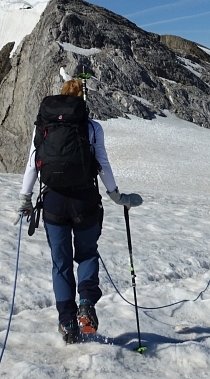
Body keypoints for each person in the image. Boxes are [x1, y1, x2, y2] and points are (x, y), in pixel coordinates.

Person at [19, 78, 141, 344]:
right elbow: (103, 163)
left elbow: (32, 163)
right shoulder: (92, 128)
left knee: (60, 264)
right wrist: (116, 195)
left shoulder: (44, 126)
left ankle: (67, 323)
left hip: (53, 202)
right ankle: (86, 304)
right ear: (82, 101)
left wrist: (25, 198)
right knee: (86, 254)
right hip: (85, 200)